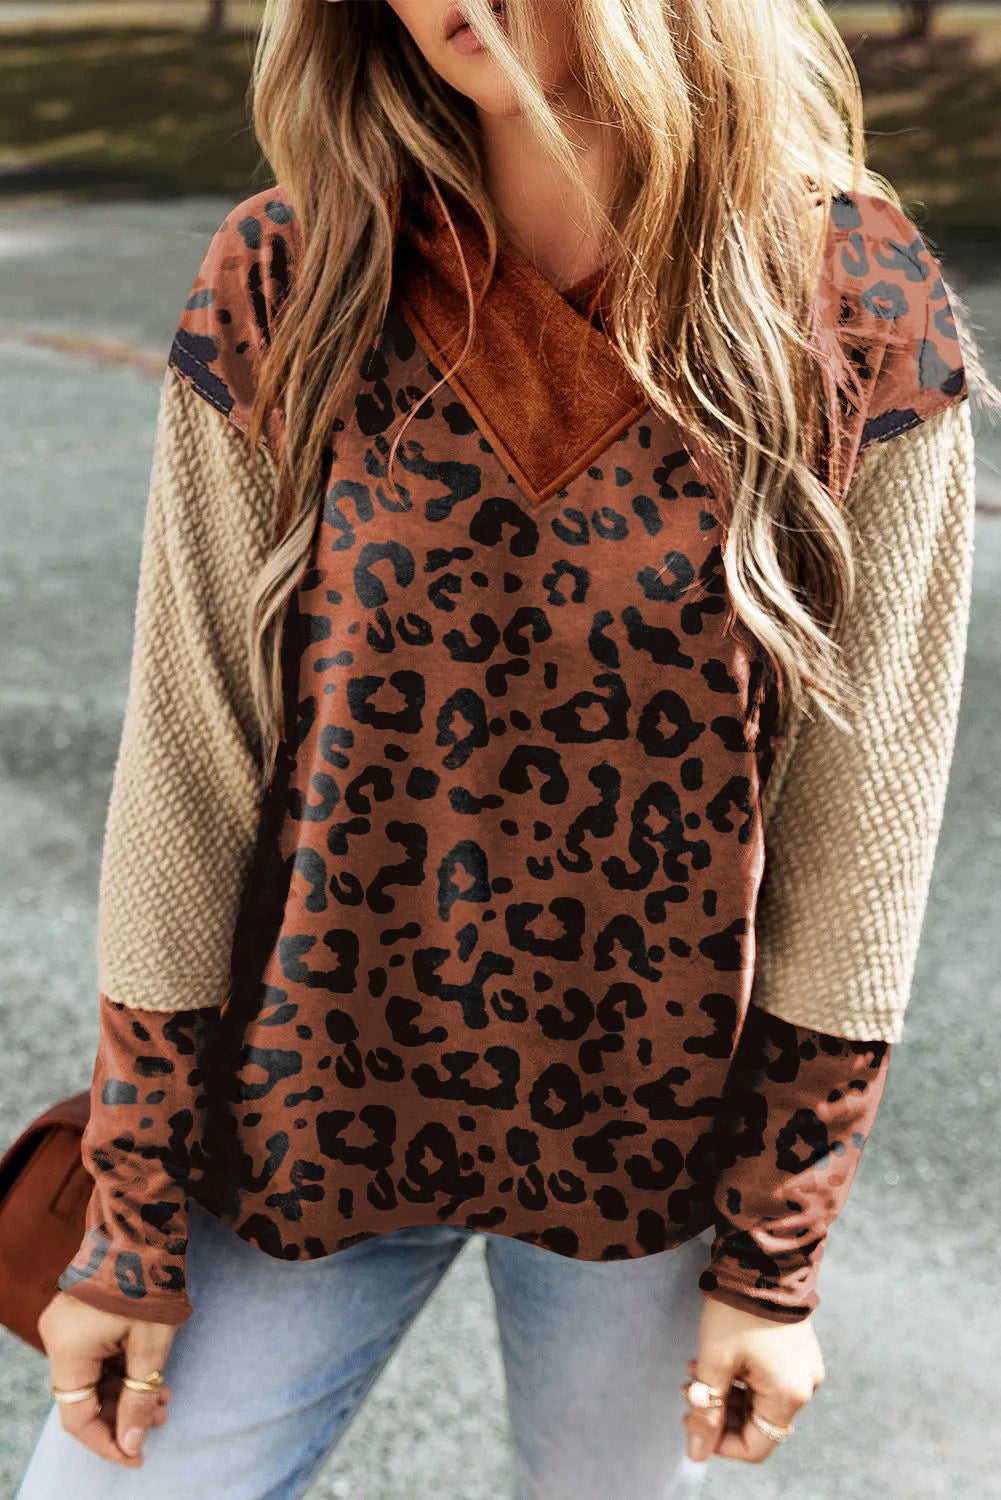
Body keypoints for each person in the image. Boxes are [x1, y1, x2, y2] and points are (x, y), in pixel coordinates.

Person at [14, 2, 991, 1497]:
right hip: (298, 1118)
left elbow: (860, 846)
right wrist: (129, 1215)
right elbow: (188, 773)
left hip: (653, 1160)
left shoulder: (857, 301)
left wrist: (773, 1256)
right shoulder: (295, 269)